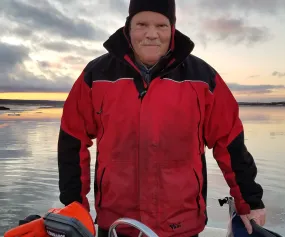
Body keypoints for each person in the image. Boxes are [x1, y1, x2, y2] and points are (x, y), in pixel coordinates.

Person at [57, 0, 266, 236]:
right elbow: (72, 141)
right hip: (117, 223)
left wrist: (249, 202)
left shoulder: (203, 79)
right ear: (128, 27)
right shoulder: (95, 76)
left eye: (161, 25)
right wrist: (74, 205)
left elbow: (230, 143)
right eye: (142, 24)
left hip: (182, 225)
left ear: (172, 29)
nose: (151, 34)